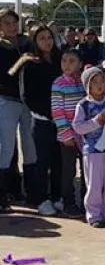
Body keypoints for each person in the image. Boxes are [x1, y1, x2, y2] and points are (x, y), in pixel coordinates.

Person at [9, 25, 63, 216]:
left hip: (61, 120)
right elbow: (27, 96)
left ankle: (57, 197)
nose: (47, 41)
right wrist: (47, 113)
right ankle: (42, 199)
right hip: (41, 120)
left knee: (59, 162)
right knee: (42, 162)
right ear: (35, 41)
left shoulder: (60, 60)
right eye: (42, 38)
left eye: (49, 37)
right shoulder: (30, 63)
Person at [72, 67, 105, 228]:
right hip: (93, 151)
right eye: (95, 82)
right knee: (94, 183)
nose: (100, 85)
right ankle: (94, 214)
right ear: (88, 85)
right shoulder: (84, 105)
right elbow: (78, 127)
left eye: (102, 81)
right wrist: (96, 121)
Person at [0, 9, 35, 212]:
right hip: (7, 99)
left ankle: (29, 191)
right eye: (6, 23)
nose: (12, 27)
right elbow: (5, 77)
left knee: (30, 146)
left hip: (27, 102)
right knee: (7, 147)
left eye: (14, 22)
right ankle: (3, 194)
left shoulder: (26, 43)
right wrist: (21, 62)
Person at [51, 49, 86, 217]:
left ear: (79, 64)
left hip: (86, 136)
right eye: (64, 61)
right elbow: (57, 111)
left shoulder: (85, 81)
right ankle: (68, 203)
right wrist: (66, 134)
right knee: (68, 171)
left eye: (72, 61)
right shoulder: (59, 83)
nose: (67, 65)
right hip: (68, 138)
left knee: (87, 170)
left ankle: (88, 202)